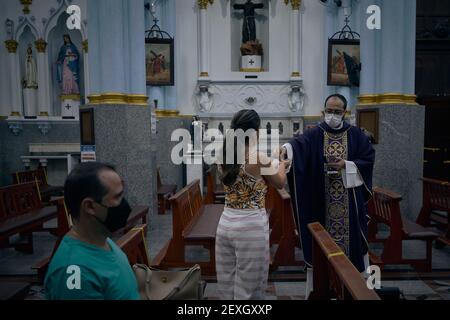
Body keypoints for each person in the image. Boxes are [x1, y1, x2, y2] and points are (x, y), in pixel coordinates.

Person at [281, 94, 375, 298]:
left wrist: (347, 165)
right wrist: (285, 150)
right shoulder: (316, 133)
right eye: (329, 111)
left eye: (337, 112)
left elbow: (367, 159)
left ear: (345, 113)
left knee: (353, 249)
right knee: (321, 252)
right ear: (323, 111)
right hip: (320, 204)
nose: (332, 115)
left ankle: (356, 291)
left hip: (348, 205)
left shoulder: (356, 135)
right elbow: (297, 145)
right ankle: (320, 290)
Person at [215, 109, 290, 300]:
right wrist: (281, 162)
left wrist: (272, 162)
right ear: (254, 132)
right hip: (250, 226)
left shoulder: (223, 154)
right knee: (249, 288)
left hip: (226, 223)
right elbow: (280, 181)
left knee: (226, 283)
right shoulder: (257, 157)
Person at [44, 162, 140, 300]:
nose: (124, 204)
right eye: (117, 197)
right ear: (90, 206)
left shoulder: (101, 239)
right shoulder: (75, 272)